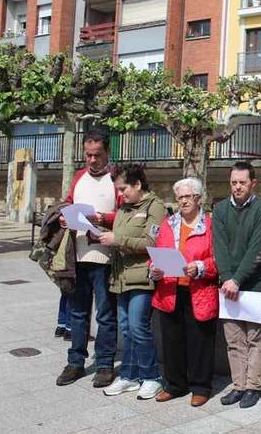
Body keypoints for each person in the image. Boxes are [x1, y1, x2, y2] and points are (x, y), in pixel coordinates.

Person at [56, 128, 121, 388]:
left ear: (108, 152)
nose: (92, 160)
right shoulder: (79, 177)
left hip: (105, 258)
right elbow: (68, 203)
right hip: (78, 255)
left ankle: (104, 364)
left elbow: (126, 215)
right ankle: (75, 362)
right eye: (88, 154)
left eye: (97, 154)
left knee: (105, 314)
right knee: (77, 312)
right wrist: (64, 218)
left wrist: (102, 218)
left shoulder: (116, 178)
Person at [97, 164, 166, 399]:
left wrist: (118, 239)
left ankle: (152, 376)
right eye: (118, 189)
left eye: (123, 188)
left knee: (138, 327)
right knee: (126, 329)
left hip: (142, 277)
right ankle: (129, 376)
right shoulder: (124, 208)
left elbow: (152, 242)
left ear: (137, 184)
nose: (120, 194)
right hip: (121, 276)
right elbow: (119, 236)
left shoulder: (155, 206)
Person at [151, 177, 219, 407]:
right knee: (172, 341)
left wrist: (199, 267)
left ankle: (200, 387)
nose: (183, 201)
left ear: (198, 198)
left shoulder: (210, 225)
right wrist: (155, 269)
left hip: (199, 291)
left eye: (188, 196)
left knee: (200, 342)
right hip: (170, 290)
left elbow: (219, 259)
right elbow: (158, 253)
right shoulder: (167, 224)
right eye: (180, 197)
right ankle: (175, 385)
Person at [213, 162, 261, 409]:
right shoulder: (220, 209)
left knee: (255, 338)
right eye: (234, 183)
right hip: (228, 284)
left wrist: (237, 279)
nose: (237, 187)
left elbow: (258, 249)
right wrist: (228, 278)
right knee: (234, 339)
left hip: (256, 282)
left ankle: (253, 387)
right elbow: (219, 247)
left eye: (242, 183)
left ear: (252, 183)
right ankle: (238, 386)